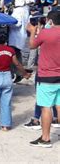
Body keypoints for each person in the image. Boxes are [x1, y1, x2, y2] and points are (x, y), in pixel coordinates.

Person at [27, 10, 60, 148]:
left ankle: (45, 138)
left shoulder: (46, 33)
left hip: (47, 75)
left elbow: (32, 45)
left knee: (46, 107)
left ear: (50, 20)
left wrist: (32, 32)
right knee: (59, 105)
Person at [9, 0, 30, 68]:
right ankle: (20, 70)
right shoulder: (26, 9)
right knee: (17, 54)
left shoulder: (18, 11)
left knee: (13, 55)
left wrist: (9, 24)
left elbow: (17, 24)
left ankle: (16, 71)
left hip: (16, 36)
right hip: (22, 34)